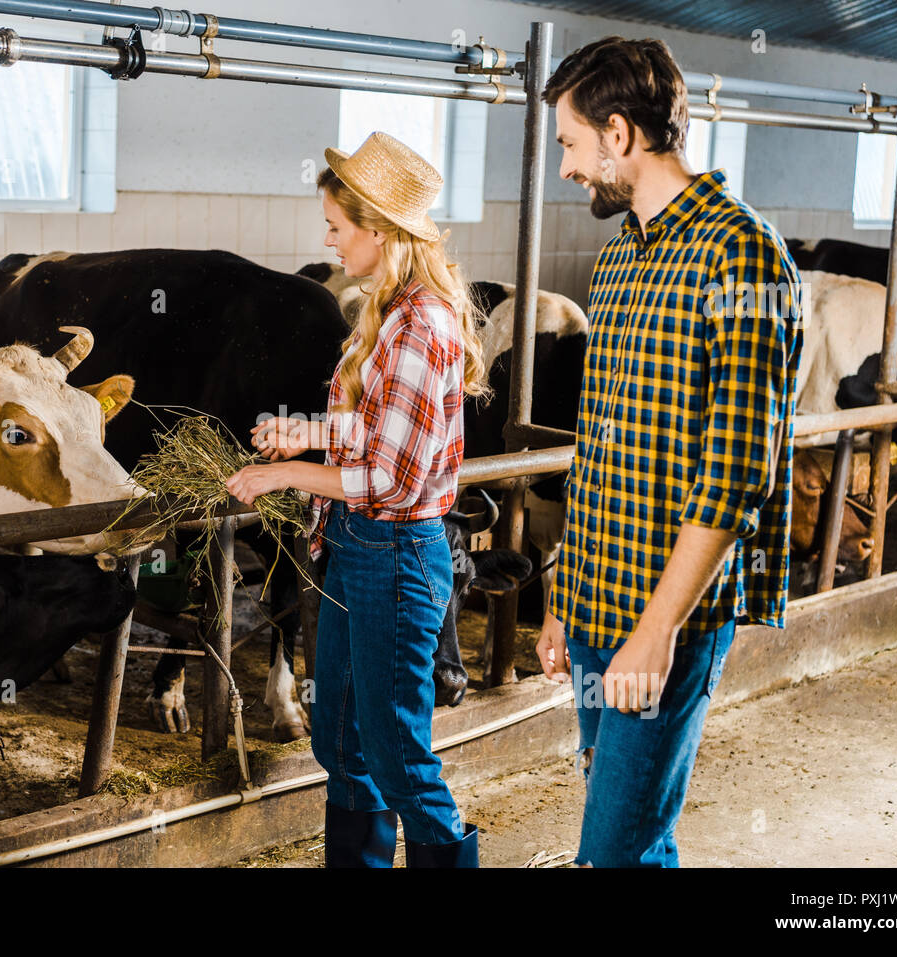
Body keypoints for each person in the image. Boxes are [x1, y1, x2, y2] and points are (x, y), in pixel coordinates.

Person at [534, 37, 803, 867]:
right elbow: (600, 448)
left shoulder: (742, 252)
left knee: (611, 849)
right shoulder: (617, 261)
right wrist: (560, 595)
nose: (569, 168)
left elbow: (736, 476)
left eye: (571, 144)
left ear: (619, 133)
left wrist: (656, 631)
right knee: (631, 833)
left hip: (666, 618)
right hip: (593, 599)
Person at [225, 131, 490, 867]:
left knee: (398, 753)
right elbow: (374, 429)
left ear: (376, 230)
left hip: (396, 554)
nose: (329, 241)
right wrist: (302, 430)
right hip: (356, 544)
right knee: (339, 738)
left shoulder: (418, 326)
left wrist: (283, 474)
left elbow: (394, 478)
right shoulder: (391, 311)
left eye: (338, 228)